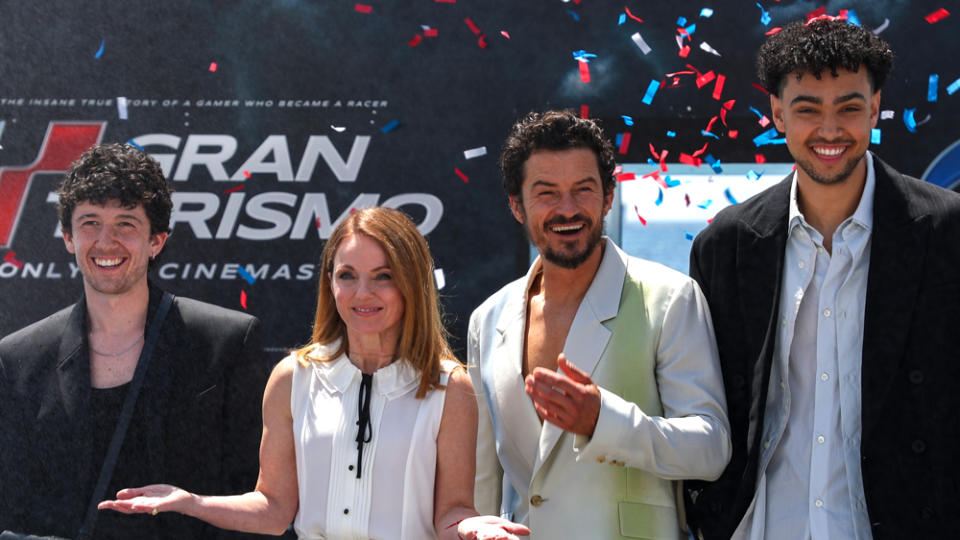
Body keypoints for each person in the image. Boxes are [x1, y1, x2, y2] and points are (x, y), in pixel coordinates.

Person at [684, 17, 960, 539]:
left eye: (849, 108)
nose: (830, 130)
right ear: (777, 115)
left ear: (876, 108)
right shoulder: (726, 246)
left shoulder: (946, 232)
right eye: (808, 110)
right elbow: (705, 406)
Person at [98, 206, 530, 540]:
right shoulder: (292, 377)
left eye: (383, 276)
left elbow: (451, 513)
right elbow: (273, 510)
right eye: (348, 275)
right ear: (329, 283)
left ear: (412, 283)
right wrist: (191, 502)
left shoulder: (449, 387)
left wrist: (471, 528)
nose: (363, 293)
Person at [468, 110, 731, 539]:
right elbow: (483, 474)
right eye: (547, 193)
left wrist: (603, 422)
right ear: (517, 205)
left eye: (583, 190)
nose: (567, 209)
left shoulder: (671, 297)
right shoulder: (489, 318)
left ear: (609, 195)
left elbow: (710, 447)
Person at [0, 143, 272, 539]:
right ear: (68, 238)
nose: (106, 241)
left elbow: (258, 497)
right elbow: (9, 509)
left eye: (126, 223)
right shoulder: (19, 361)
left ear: (156, 241)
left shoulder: (225, 344)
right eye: (90, 222)